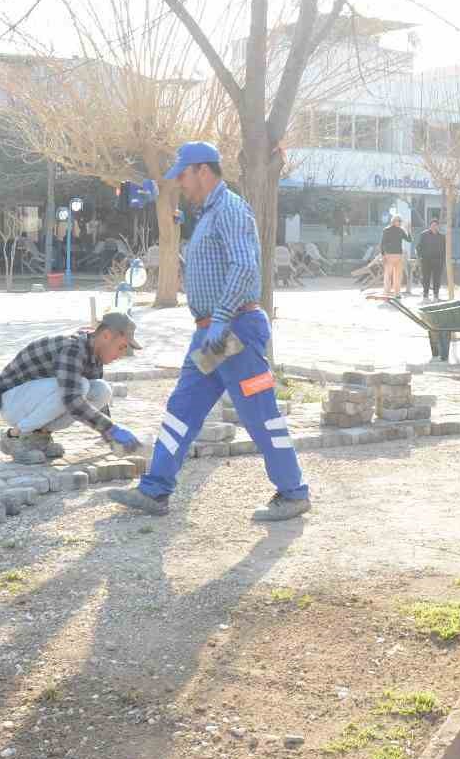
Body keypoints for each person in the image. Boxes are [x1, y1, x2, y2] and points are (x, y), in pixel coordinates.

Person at [109, 141, 311, 522]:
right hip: (212, 336)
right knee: (182, 409)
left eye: (183, 176)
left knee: (259, 414)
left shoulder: (231, 210)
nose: (181, 184)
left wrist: (220, 318)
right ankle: (155, 490)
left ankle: (293, 492)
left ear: (203, 170)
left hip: (234, 332)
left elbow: (245, 267)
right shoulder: (209, 213)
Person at [0, 311, 145, 459]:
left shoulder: (95, 357)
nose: (122, 355)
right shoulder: (73, 348)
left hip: (30, 401)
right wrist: (111, 428)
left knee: (102, 390)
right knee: (80, 387)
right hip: (10, 401)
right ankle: (14, 438)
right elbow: (72, 400)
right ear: (106, 335)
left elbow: (98, 406)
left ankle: (38, 437)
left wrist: (112, 439)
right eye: (121, 347)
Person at [416, 217, 447, 301]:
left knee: (437, 278)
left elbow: (444, 249)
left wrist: (443, 260)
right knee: (426, 278)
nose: (434, 227)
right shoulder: (424, 235)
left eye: (436, 225)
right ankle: (425, 295)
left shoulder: (442, 237)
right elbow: (418, 247)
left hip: (438, 261)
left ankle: (436, 295)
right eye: (432, 225)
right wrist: (420, 257)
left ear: (438, 226)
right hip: (426, 261)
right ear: (430, 226)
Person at [380, 215, 410, 297]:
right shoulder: (386, 230)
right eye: (398, 221)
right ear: (393, 221)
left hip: (399, 255)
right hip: (389, 255)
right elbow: (382, 243)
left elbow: (409, 240)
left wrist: (408, 230)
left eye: (400, 221)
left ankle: (397, 293)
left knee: (398, 275)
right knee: (387, 275)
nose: (399, 222)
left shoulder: (401, 230)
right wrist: (383, 255)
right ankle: (386, 292)